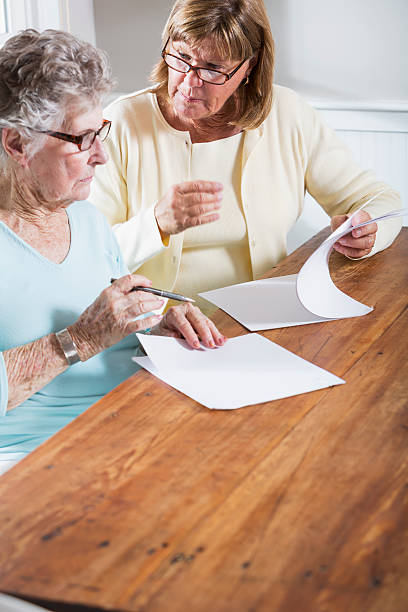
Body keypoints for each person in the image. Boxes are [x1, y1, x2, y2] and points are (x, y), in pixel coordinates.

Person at [0, 29, 226, 474]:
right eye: (82, 139)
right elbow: (88, 335)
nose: (101, 156)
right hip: (40, 461)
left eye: (101, 132)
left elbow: (108, 324)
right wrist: (78, 341)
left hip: (136, 425)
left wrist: (156, 320)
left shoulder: (87, 219)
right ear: (17, 144)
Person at [90, 0, 402, 315]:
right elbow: (89, 258)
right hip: (161, 331)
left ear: (248, 67)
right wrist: (156, 224)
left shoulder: (287, 114)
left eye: (212, 68)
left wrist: (367, 232)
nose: (188, 82)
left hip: (269, 318)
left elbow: (379, 200)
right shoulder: (120, 124)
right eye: (182, 57)